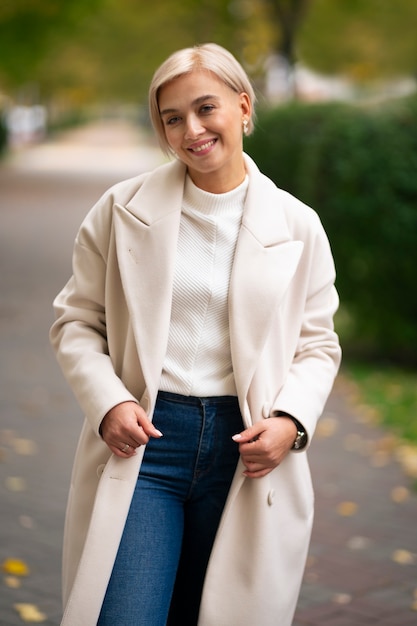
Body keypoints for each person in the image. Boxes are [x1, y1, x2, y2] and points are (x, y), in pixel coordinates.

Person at [50, 43, 341, 626]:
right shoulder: (120, 209)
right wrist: (108, 402)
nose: (193, 130)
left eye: (207, 108)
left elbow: (318, 342)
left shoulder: (298, 224)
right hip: (145, 445)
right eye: (173, 118)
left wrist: (291, 422)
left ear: (243, 106)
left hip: (247, 449)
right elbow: (76, 322)